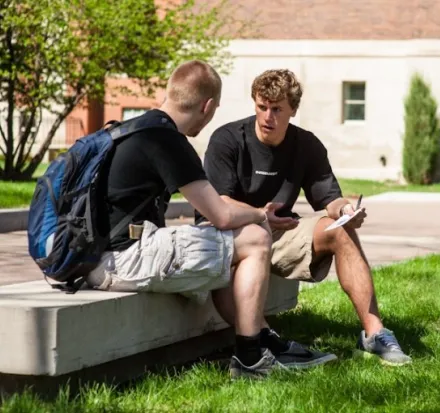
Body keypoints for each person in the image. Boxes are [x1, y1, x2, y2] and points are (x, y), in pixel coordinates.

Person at [84, 60, 334, 379]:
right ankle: (250, 359)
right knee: (254, 239)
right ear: (208, 106)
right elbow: (221, 213)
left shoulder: (131, 128)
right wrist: (261, 214)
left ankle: (265, 340)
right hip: (123, 260)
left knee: (215, 245)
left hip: (95, 258)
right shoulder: (168, 140)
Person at [196, 69, 412, 366]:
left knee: (341, 230)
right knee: (241, 246)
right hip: (233, 233)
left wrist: (345, 211)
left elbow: (328, 198)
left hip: (282, 232)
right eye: (261, 107)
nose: (267, 116)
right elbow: (219, 203)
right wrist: (259, 217)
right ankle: (267, 342)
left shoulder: (306, 145)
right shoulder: (228, 140)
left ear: (293, 111)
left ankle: (375, 334)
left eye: (276, 109)